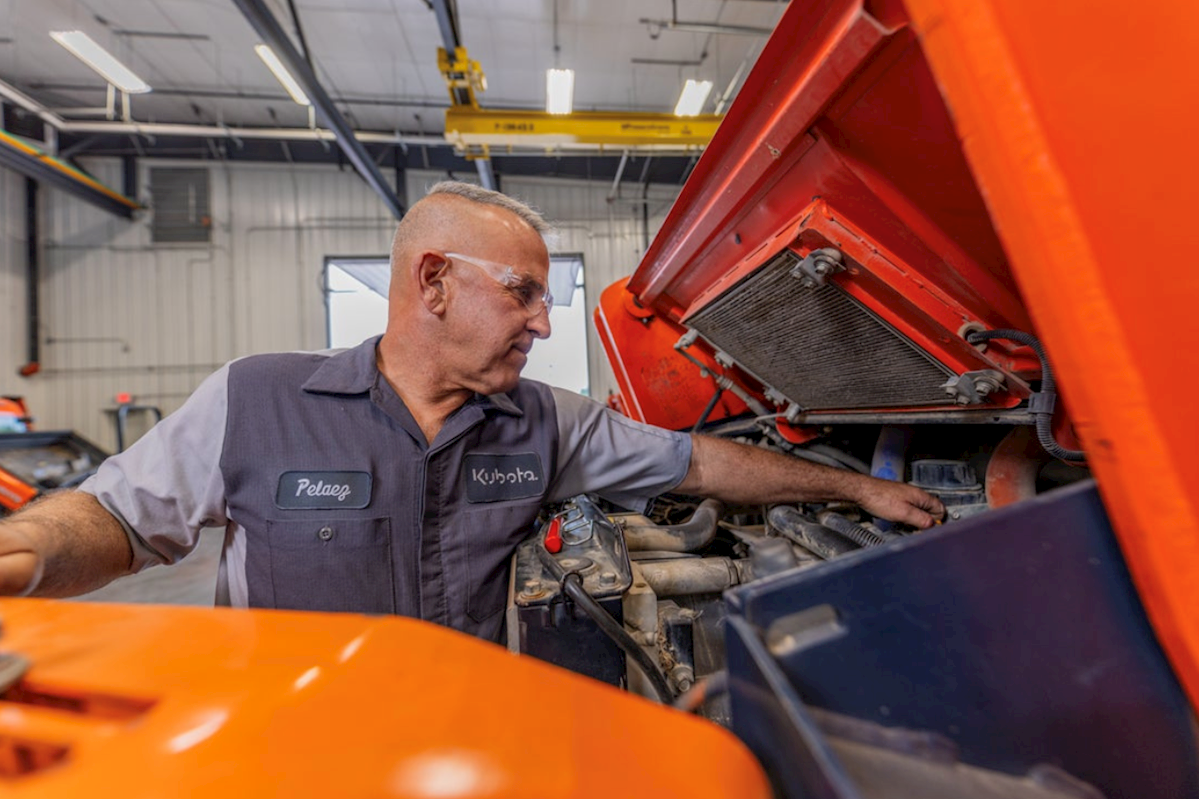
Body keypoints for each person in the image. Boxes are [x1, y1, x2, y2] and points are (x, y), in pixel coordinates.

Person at [0, 182, 944, 641]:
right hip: (305, 752)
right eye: (525, 293)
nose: (541, 320)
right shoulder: (258, 398)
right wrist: (36, 549)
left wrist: (855, 487)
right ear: (436, 282)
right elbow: (115, 519)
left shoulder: (545, 420)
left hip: (479, 742)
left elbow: (698, 465)